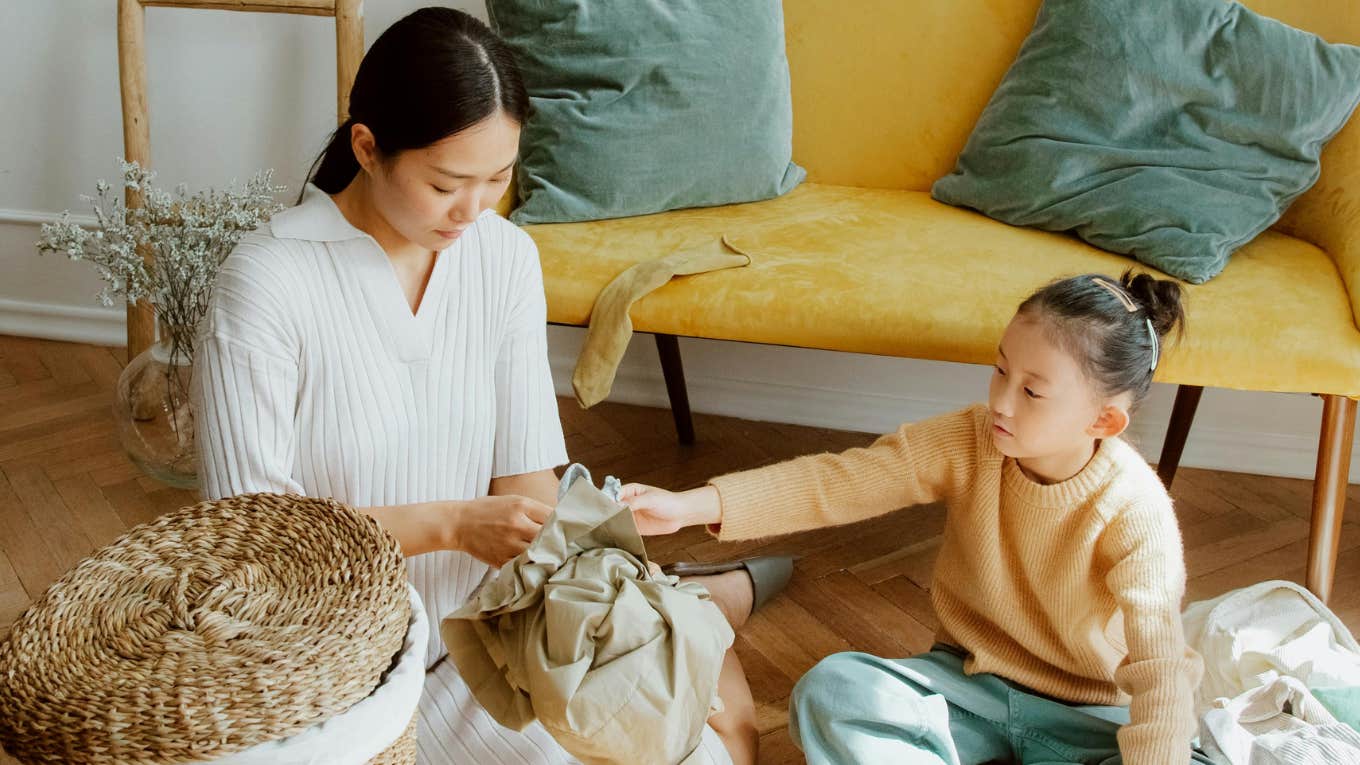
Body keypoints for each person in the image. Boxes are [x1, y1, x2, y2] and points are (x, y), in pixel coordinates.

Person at [191, 8, 757, 764]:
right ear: (367, 146)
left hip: (481, 642)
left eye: (498, 178)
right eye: (446, 184)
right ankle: (725, 591)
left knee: (698, 752)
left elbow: (526, 478)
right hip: (317, 674)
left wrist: (627, 606)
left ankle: (707, 595)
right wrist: (452, 524)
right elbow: (247, 547)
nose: (474, 209)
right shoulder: (265, 282)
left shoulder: (503, 258)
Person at [623, 272, 1215, 764]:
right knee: (834, 691)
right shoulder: (973, 439)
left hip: (1086, 719)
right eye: (1001, 369)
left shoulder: (1137, 511)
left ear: (1103, 422)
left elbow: (1161, 670)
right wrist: (686, 506)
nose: (1001, 401)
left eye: (1033, 392)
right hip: (965, 688)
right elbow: (841, 481)